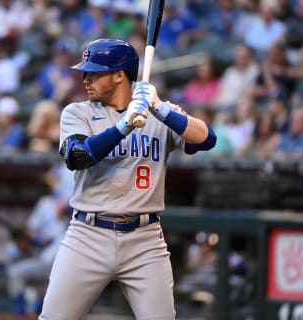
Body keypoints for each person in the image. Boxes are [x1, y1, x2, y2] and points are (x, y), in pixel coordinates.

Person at [39, 38, 217, 319]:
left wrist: (161, 109)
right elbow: (77, 156)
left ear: (120, 75)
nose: (86, 79)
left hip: (144, 239)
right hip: (88, 234)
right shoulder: (78, 112)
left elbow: (207, 140)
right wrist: (123, 127)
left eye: (94, 72)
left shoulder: (158, 111)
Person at [7, 163, 74, 317]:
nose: (50, 184)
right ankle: (24, 311)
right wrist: (29, 239)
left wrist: (66, 207)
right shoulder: (45, 203)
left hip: (62, 258)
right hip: (43, 255)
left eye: (54, 180)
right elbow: (31, 230)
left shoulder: (73, 204)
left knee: (33, 274)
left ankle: (35, 307)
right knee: (14, 264)